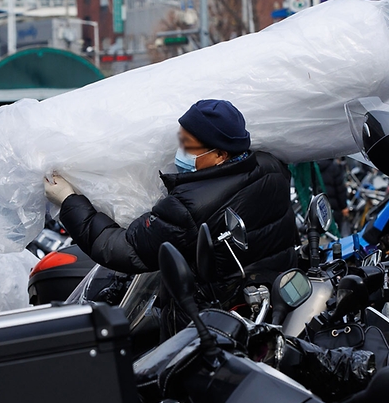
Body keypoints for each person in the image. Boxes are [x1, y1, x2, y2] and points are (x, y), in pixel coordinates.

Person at [44, 99, 297, 282]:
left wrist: (69, 201)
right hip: (275, 293)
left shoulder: (189, 205)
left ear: (220, 154)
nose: (180, 150)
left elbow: (122, 249)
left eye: (189, 145)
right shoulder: (271, 166)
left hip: (212, 321)